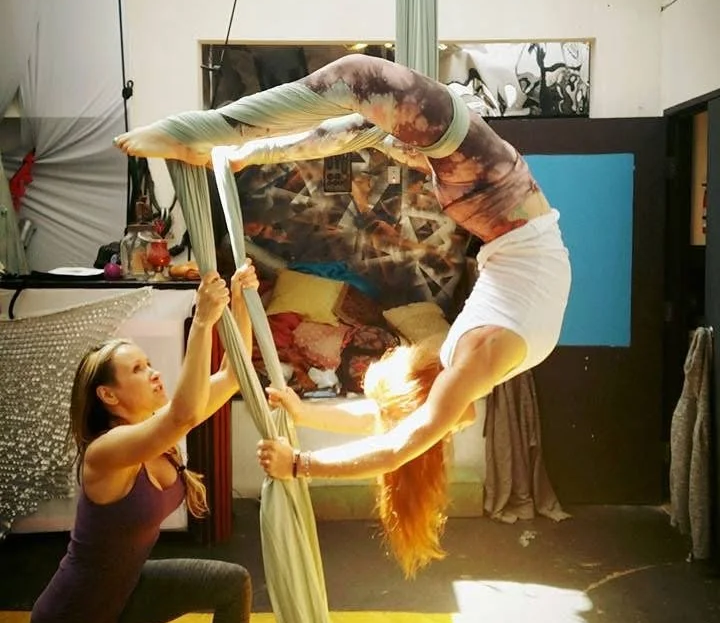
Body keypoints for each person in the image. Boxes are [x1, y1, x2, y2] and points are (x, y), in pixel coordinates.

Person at [114, 53, 571, 574]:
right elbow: (399, 443)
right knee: (358, 78)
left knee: (367, 126)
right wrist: (303, 467)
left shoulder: (461, 381)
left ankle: (233, 154)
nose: (406, 353)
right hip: (501, 196)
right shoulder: (473, 360)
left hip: (495, 212)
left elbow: (386, 425)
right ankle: (198, 136)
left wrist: (304, 417)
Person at [0, 262, 288, 623]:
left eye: (147, 362)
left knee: (230, 582)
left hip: (127, 590)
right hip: (72, 621)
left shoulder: (158, 430)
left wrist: (237, 304)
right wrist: (201, 322)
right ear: (107, 396)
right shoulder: (105, 453)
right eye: (137, 369)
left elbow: (227, 376)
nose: (153, 371)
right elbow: (183, 411)